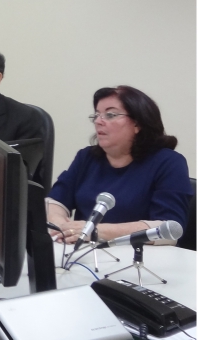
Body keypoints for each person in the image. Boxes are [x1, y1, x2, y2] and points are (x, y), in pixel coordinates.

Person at [47, 86, 192, 245]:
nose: (98, 121)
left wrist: (94, 231)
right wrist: (60, 226)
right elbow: (54, 202)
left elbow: (170, 230)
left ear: (138, 123)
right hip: (83, 253)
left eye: (110, 115)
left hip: (140, 256)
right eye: (96, 115)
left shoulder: (168, 162)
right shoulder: (87, 157)